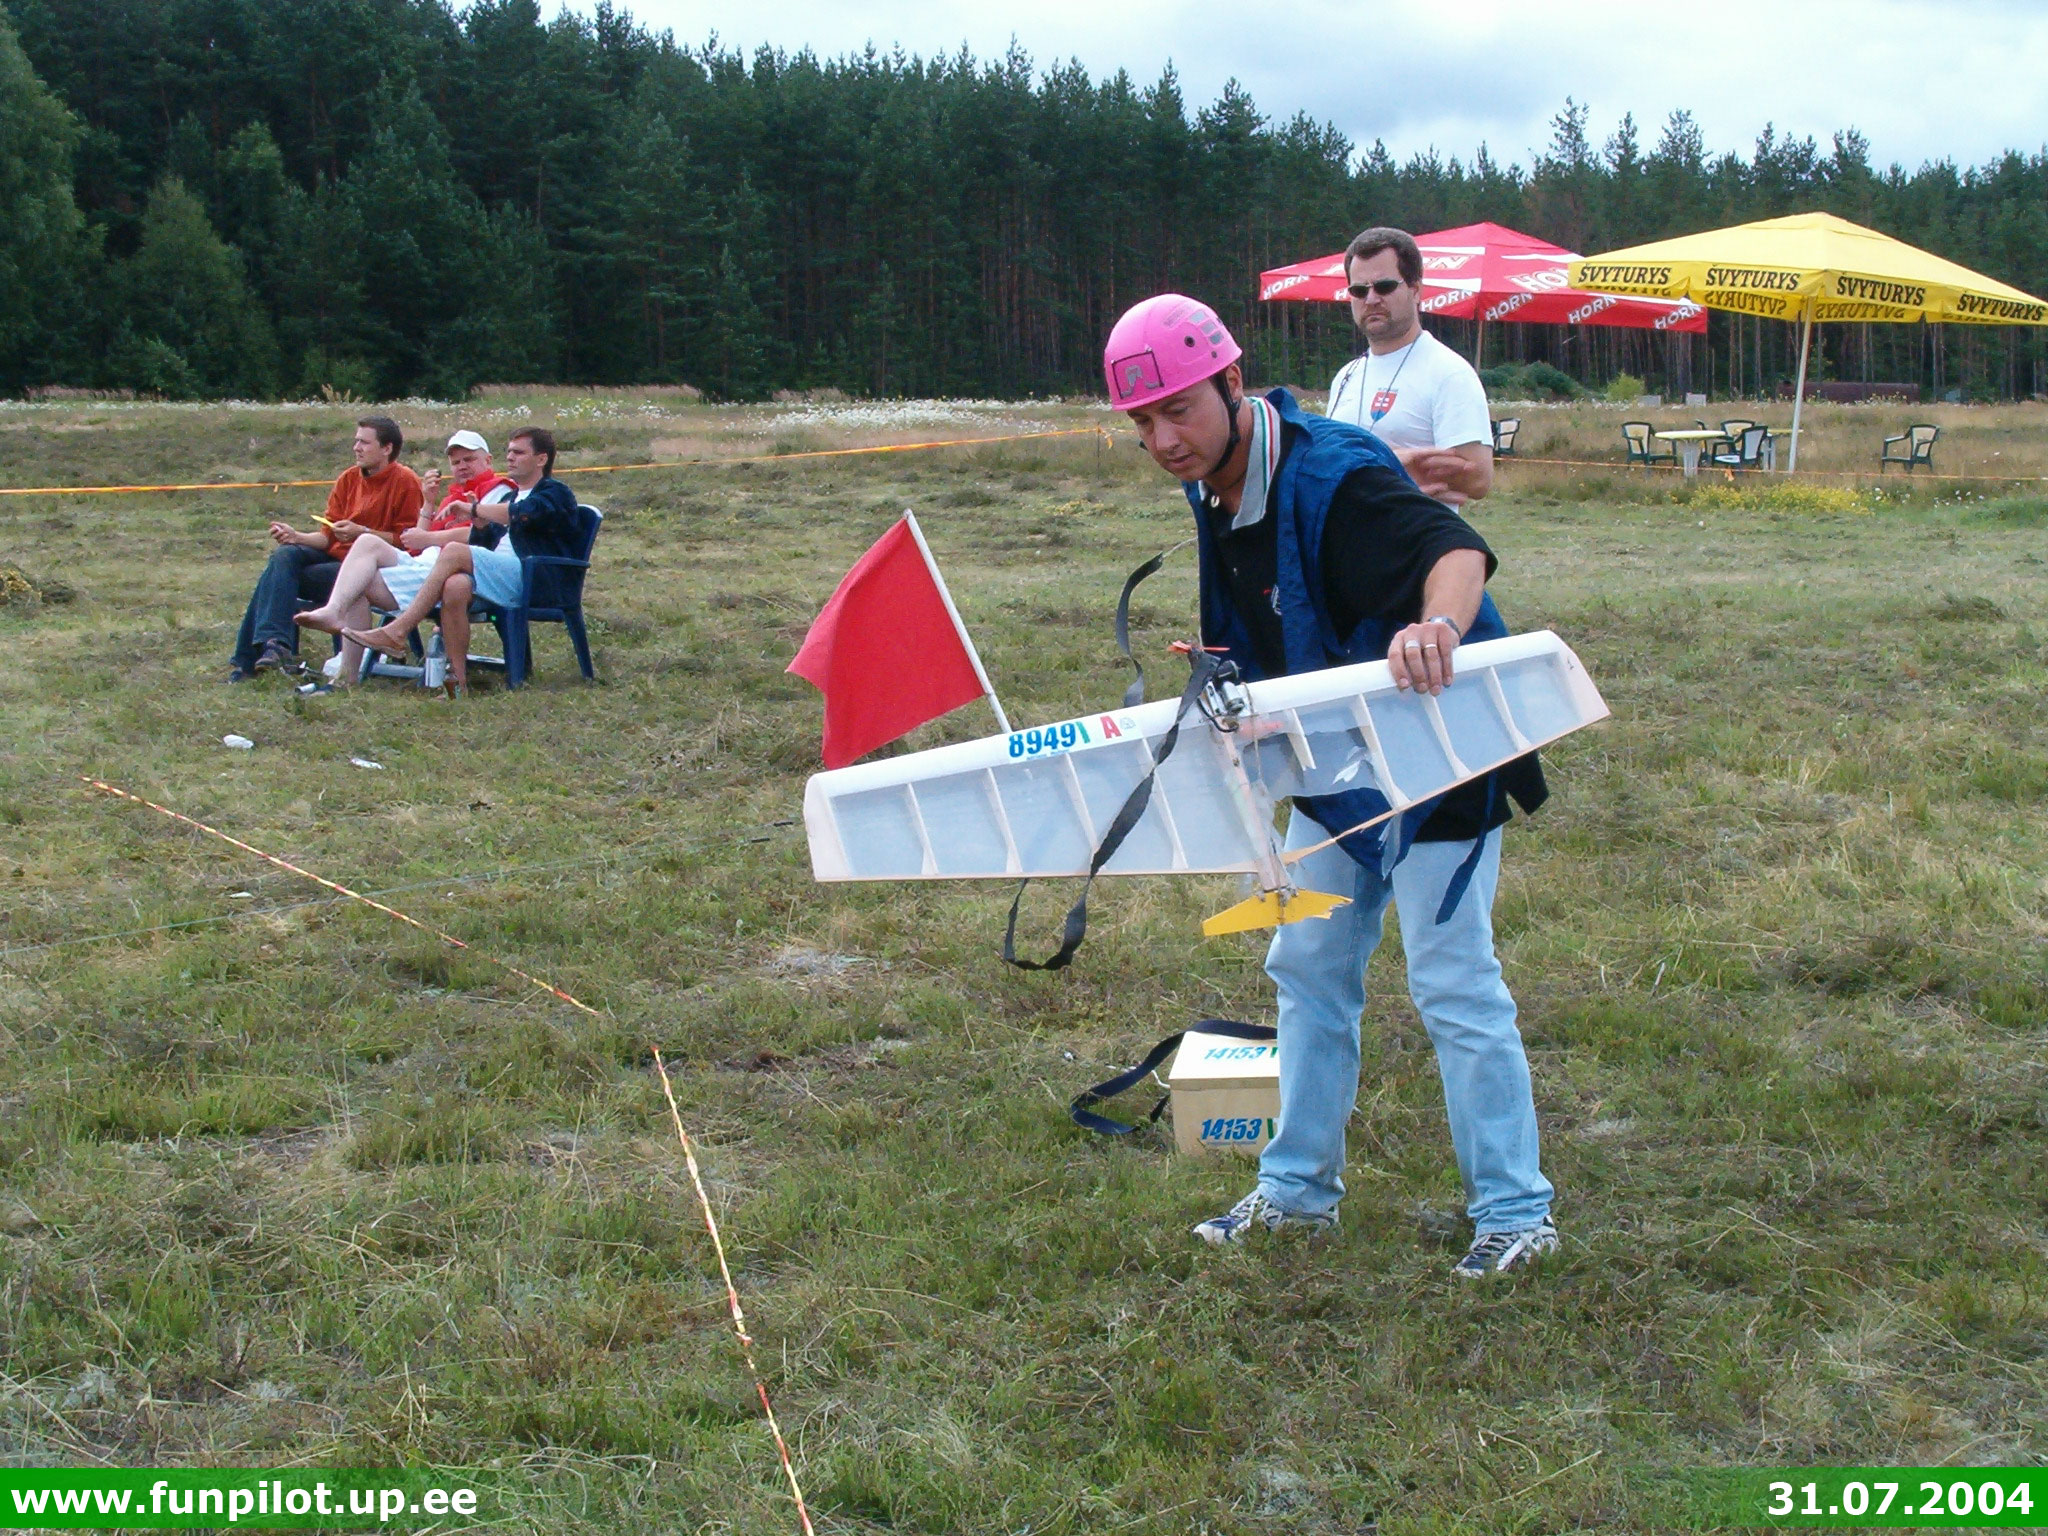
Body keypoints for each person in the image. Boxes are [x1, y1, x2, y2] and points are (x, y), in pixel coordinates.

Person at [1103, 294, 1555, 1278]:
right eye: (1142, 422)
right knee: (1306, 969)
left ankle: (1516, 1211)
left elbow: (1453, 548)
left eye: (1178, 410)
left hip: (1440, 746)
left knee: (1451, 979)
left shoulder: (1334, 473)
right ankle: (1296, 1193)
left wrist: (1436, 627)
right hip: (1334, 763)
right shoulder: (1214, 487)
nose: (1163, 440)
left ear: (1231, 383)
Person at [345, 427, 578, 695]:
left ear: (541, 459)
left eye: (519, 452)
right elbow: (487, 541)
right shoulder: (514, 495)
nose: (510, 457)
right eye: (509, 451)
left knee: (454, 551)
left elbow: (524, 514)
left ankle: (399, 630)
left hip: (535, 578)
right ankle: (456, 685)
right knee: (455, 586)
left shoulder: (553, 492)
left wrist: (474, 509)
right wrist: (479, 524)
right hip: (502, 576)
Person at [293, 430, 516, 684]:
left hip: (460, 570)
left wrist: (429, 538)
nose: (462, 466)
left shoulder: (498, 492)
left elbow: (483, 537)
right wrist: (428, 503)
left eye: (469, 459)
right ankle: (340, 641)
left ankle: (355, 656)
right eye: (456, 462)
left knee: (361, 575)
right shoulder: (453, 496)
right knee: (365, 548)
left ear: (488, 460)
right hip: (427, 562)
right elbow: (416, 542)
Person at [227, 417, 422, 680]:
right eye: (356, 441)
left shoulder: (405, 481)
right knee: (284, 556)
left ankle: (253, 658)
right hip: (333, 556)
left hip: (367, 569)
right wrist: (296, 536)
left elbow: (408, 542)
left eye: (364, 443)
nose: (356, 448)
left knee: (278, 580)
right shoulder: (348, 479)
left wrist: (362, 532)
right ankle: (276, 644)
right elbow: (326, 539)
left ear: (387, 448)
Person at [1326, 227, 1494, 509]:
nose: (1371, 299)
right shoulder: (1346, 376)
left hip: (1416, 535)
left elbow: (1478, 478)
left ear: (1415, 290)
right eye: (1359, 290)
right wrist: (1385, 462)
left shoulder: (1449, 372)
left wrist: (1382, 468)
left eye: (1384, 287)